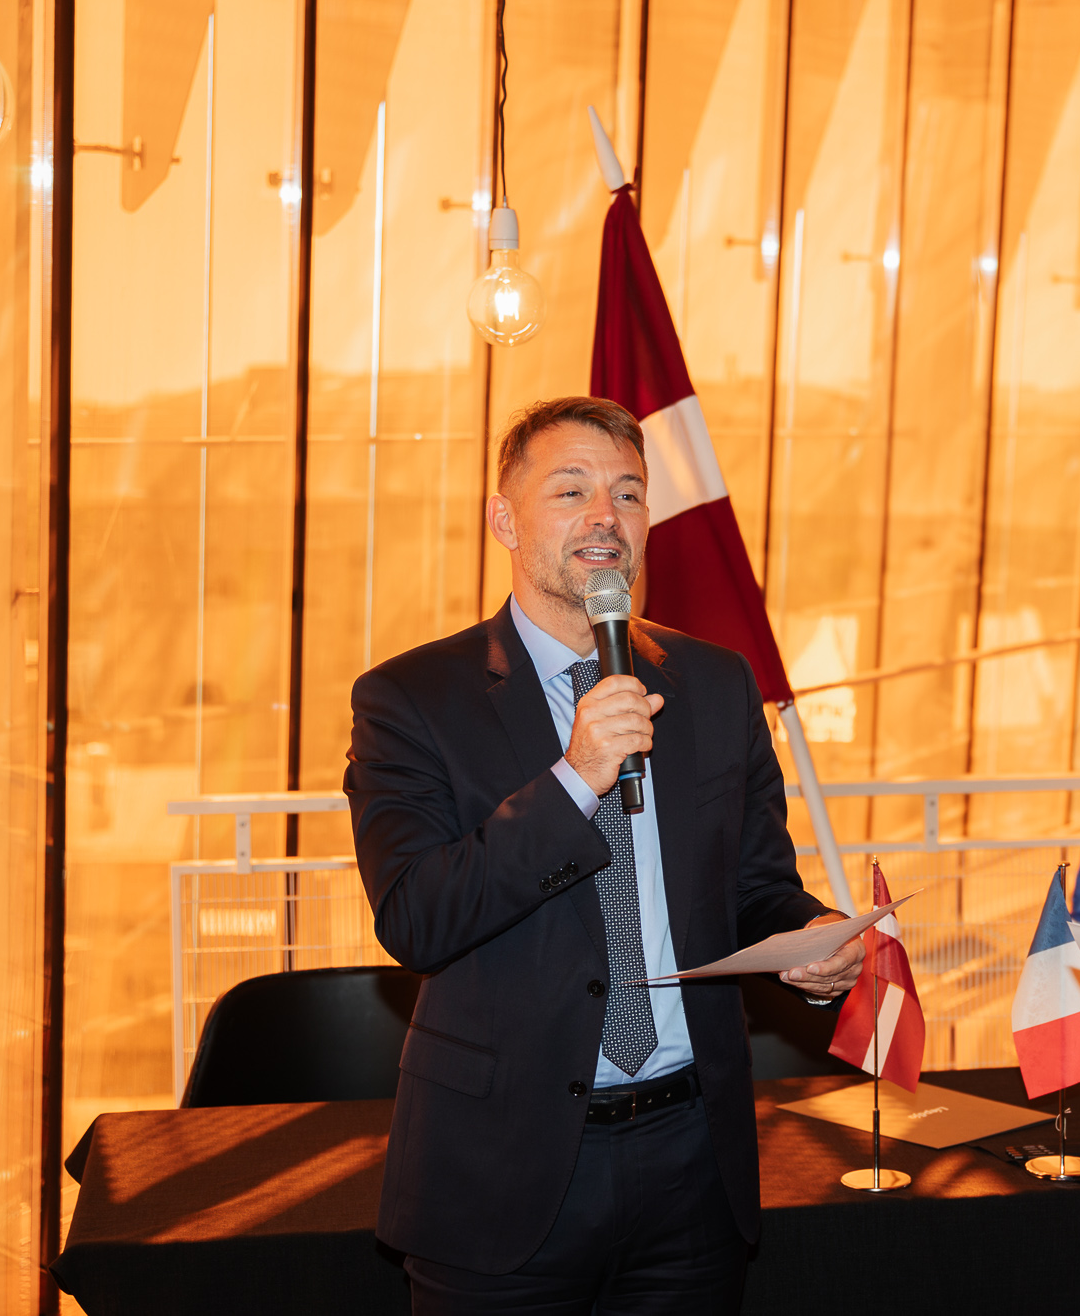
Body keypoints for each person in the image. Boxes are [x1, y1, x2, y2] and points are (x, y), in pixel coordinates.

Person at [346, 396, 863, 1315]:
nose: (605, 516)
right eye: (571, 490)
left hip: (691, 1161)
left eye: (628, 492)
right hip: (503, 1168)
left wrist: (812, 939)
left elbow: (756, 886)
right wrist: (576, 775)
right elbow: (418, 916)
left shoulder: (715, 682)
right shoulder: (412, 698)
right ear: (504, 518)